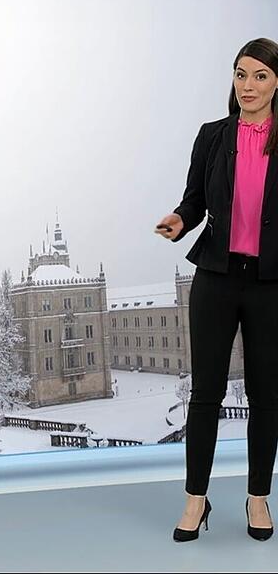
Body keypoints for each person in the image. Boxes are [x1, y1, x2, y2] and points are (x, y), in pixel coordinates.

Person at [155, 37, 278, 542]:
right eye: (240, 74)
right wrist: (180, 220)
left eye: (260, 76)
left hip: (271, 283)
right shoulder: (212, 136)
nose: (248, 85)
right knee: (205, 393)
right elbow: (195, 200)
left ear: (277, 83)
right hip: (215, 276)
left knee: (266, 395)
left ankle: (257, 497)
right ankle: (195, 499)